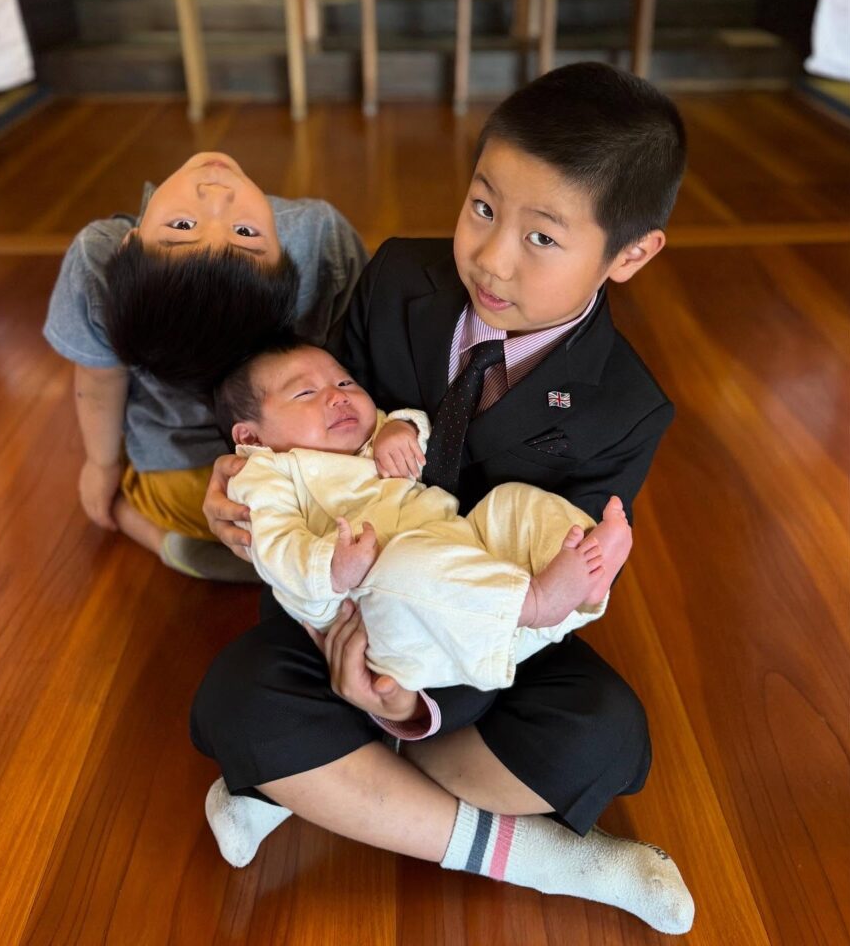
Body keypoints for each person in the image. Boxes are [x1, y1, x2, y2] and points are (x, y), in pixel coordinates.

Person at [193, 63, 695, 934]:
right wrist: (234, 482)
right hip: (342, 604)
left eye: (543, 238)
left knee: (602, 733)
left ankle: (325, 783)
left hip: (481, 635)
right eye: (482, 207)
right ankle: (544, 860)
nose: (492, 258)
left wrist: (410, 701)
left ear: (631, 254)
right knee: (238, 695)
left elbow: (564, 590)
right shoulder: (399, 281)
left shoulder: (624, 406)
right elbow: (309, 417)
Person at [217, 338, 633, 691]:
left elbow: (413, 427)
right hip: (385, 614)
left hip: (458, 547)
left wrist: (403, 428)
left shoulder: (369, 433)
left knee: (509, 503)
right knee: (400, 565)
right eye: (304, 393)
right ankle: (536, 605)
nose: (338, 395)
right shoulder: (263, 474)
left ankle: (583, 579)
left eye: (344, 381)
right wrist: (332, 567)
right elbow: (274, 547)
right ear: (250, 435)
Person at [43, 152, 368, 580]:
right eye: (182, 226)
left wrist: (101, 465)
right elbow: (359, 351)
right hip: (297, 479)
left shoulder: (95, 255)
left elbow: (99, 378)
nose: (216, 196)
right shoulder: (321, 233)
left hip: (186, 476)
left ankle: (157, 535)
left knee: (276, 551)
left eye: (244, 231)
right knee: (337, 543)